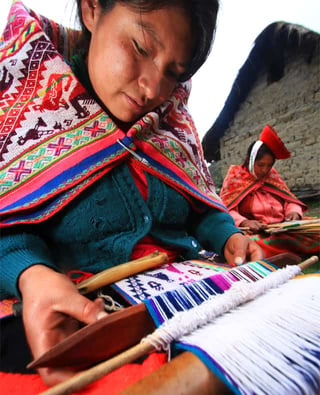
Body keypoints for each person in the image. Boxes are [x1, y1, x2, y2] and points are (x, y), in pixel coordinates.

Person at [0, 0, 263, 389]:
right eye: (141, 48)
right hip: (81, 320)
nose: (154, 88)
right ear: (91, 9)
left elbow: (197, 205)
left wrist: (227, 234)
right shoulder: (23, 105)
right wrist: (32, 275)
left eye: (174, 72)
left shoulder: (170, 118)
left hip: (182, 304)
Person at [220, 124, 320, 258]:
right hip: (258, 233)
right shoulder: (235, 177)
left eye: (269, 165)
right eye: (260, 165)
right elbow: (226, 210)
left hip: (284, 229)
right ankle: (287, 250)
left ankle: (286, 250)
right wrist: (244, 222)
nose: (265, 170)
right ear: (249, 160)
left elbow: (289, 199)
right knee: (252, 244)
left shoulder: (272, 176)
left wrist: (293, 213)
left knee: (315, 230)